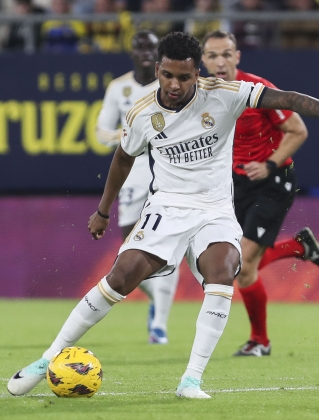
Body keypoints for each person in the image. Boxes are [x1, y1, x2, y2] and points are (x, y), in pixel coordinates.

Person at [7, 31, 319, 399]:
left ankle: (191, 380)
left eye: (184, 77)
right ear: (157, 69)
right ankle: (46, 360)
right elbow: (123, 157)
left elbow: (287, 98)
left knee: (224, 271)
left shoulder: (224, 94)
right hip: (167, 207)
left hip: (215, 209)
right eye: (167, 75)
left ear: (196, 72)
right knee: (120, 278)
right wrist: (103, 211)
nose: (174, 84)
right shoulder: (142, 113)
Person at [201, 30, 319, 357]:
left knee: (242, 266)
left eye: (226, 54)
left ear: (237, 56)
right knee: (237, 267)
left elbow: (298, 130)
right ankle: (298, 246)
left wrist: (270, 164)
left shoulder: (257, 90)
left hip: (273, 180)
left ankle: (260, 341)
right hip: (234, 184)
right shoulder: (201, 95)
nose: (220, 61)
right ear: (202, 60)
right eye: (213, 55)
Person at [95, 30, 179, 344]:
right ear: (131, 52)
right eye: (139, 46)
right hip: (132, 171)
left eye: (151, 47)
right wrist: (129, 136)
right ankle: (157, 296)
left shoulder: (171, 83)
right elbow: (101, 132)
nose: (145, 52)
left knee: (170, 249)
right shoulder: (119, 88)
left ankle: (159, 324)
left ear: (160, 52)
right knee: (128, 251)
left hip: (170, 171)